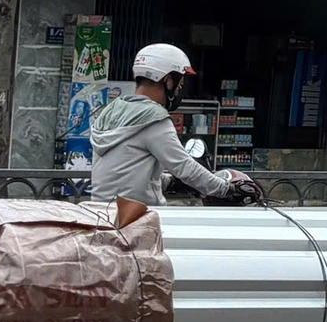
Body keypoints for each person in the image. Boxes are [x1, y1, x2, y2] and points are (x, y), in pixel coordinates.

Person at [90, 43, 240, 206]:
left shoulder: (111, 112)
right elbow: (185, 167)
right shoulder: (153, 119)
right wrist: (227, 189)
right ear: (167, 80)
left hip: (103, 211)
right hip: (137, 216)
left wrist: (168, 181)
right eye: (180, 84)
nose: (179, 90)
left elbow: (123, 171)